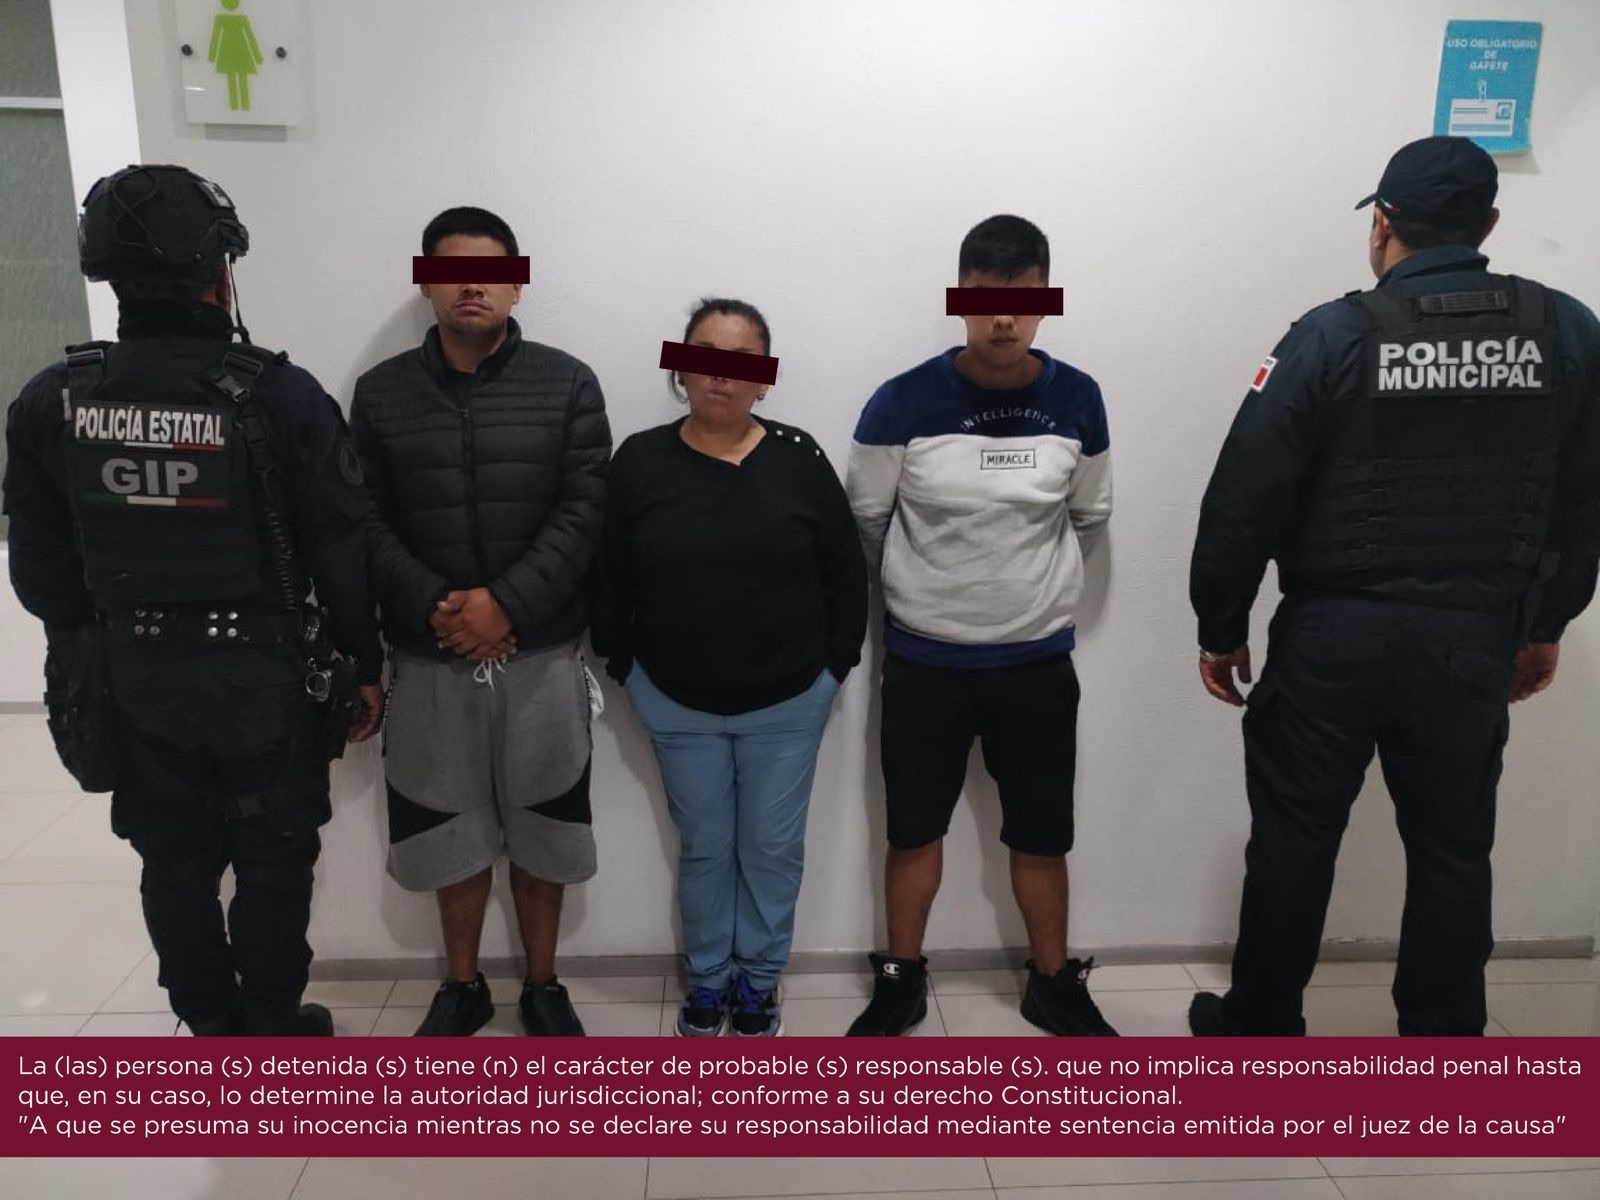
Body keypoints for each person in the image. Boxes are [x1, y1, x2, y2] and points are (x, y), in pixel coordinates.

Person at [1188, 136, 1600, 1037]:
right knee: (1453, 849)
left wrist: (1221, 625)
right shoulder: (1568, 331)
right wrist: (1546, 625)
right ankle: (1443, 1051)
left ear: (1382, 224)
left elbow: (1244, 492)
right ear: (1488, 223)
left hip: (1334, 638)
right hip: (1472, 637)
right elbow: (1583, 499)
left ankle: (1261, 1031)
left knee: (1295, 839)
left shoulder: (1331, 335)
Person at [2, 163, 385, 1037]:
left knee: (172, 863)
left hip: (131, 676)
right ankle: (272, 1029)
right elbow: (342, 551)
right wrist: (363, 664)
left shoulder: (53, 400)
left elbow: (41, 580)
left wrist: (111, 640)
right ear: (220, 272)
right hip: (264, 682)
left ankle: (211, 1032)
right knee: (273, 862)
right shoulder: (278, 393)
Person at [844, 215, 1117, 1037]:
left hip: (1036, 663)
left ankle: (1052, 982)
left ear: (1047, 301)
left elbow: (1089, 516)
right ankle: (901, 979)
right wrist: (929, 590)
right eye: (986, 299)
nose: (1004, 319)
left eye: (1024, 300)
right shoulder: (902, 400)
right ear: (959, 297)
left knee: (1042, 834)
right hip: (925, 661)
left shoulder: (1078, 399)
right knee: (912, 828)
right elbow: (867, 519)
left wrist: (1024, 590)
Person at [351, 206, 610, 1037]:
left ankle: (543, 983)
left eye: (493, 271)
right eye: (452, 270)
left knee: (546, 823)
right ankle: (461, 986)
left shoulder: (568, 383)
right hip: (427, 655)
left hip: (541, 653)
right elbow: (364, 519)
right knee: (445, 825)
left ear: (517, 284)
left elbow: (585, 509)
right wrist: (440, 606)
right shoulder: (382, 393)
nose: (473, 285)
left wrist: (507, 604)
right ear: (425, 283)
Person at [594, 298, 867, 1037]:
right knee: (706, 847)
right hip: (674, 700)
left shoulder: (799, 458)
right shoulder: (640, 461)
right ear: (680, 368)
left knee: (772, 849)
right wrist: (626, 667)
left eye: (741, 360)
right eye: (704, 354)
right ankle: (709, 980)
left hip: (789, 700)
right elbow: (608, 574)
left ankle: (759, 981)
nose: (720, 373)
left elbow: (846, 572)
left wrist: (834, 668)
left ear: (764, 378)